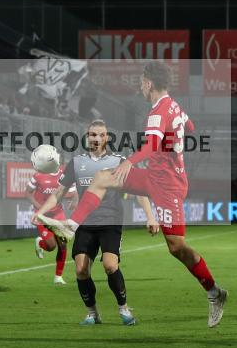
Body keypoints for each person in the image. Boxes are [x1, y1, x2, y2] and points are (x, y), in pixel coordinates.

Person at [36, 62, 229, 328]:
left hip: (168, 185)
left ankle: (214, 292)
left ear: (149, 83)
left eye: (141, 82)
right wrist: (176, 141)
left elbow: (151, 144)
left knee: (176, 246)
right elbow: (191, 126)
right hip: (153, 177)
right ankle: (71, 225)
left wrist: (130, 161)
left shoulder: (158, 112)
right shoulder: (173, 106)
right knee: (103, 177)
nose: (140, 87)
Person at [37, 120, 158, 325]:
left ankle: (124, 309)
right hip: (84, 223)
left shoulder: (119, 161)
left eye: (101, 135)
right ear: (87, 136)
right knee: (81, 270)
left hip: (111, 221)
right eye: (93, 134)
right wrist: (40, 212)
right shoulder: (76, 163)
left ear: (107, 138)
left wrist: (150, 216)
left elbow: (138, 191)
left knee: (110, 266)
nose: (97, 138)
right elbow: (59, 193)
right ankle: (92, 313)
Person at [27, 162, 74, 286]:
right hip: (42, 215)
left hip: (58, 213)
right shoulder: (38, 176)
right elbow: (28, 193)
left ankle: (58, 277)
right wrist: (39, 208)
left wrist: (74, 199)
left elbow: (73, 191)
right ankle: (40, 243)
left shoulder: (64, 175)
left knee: (63, 244)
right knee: (51, 246)